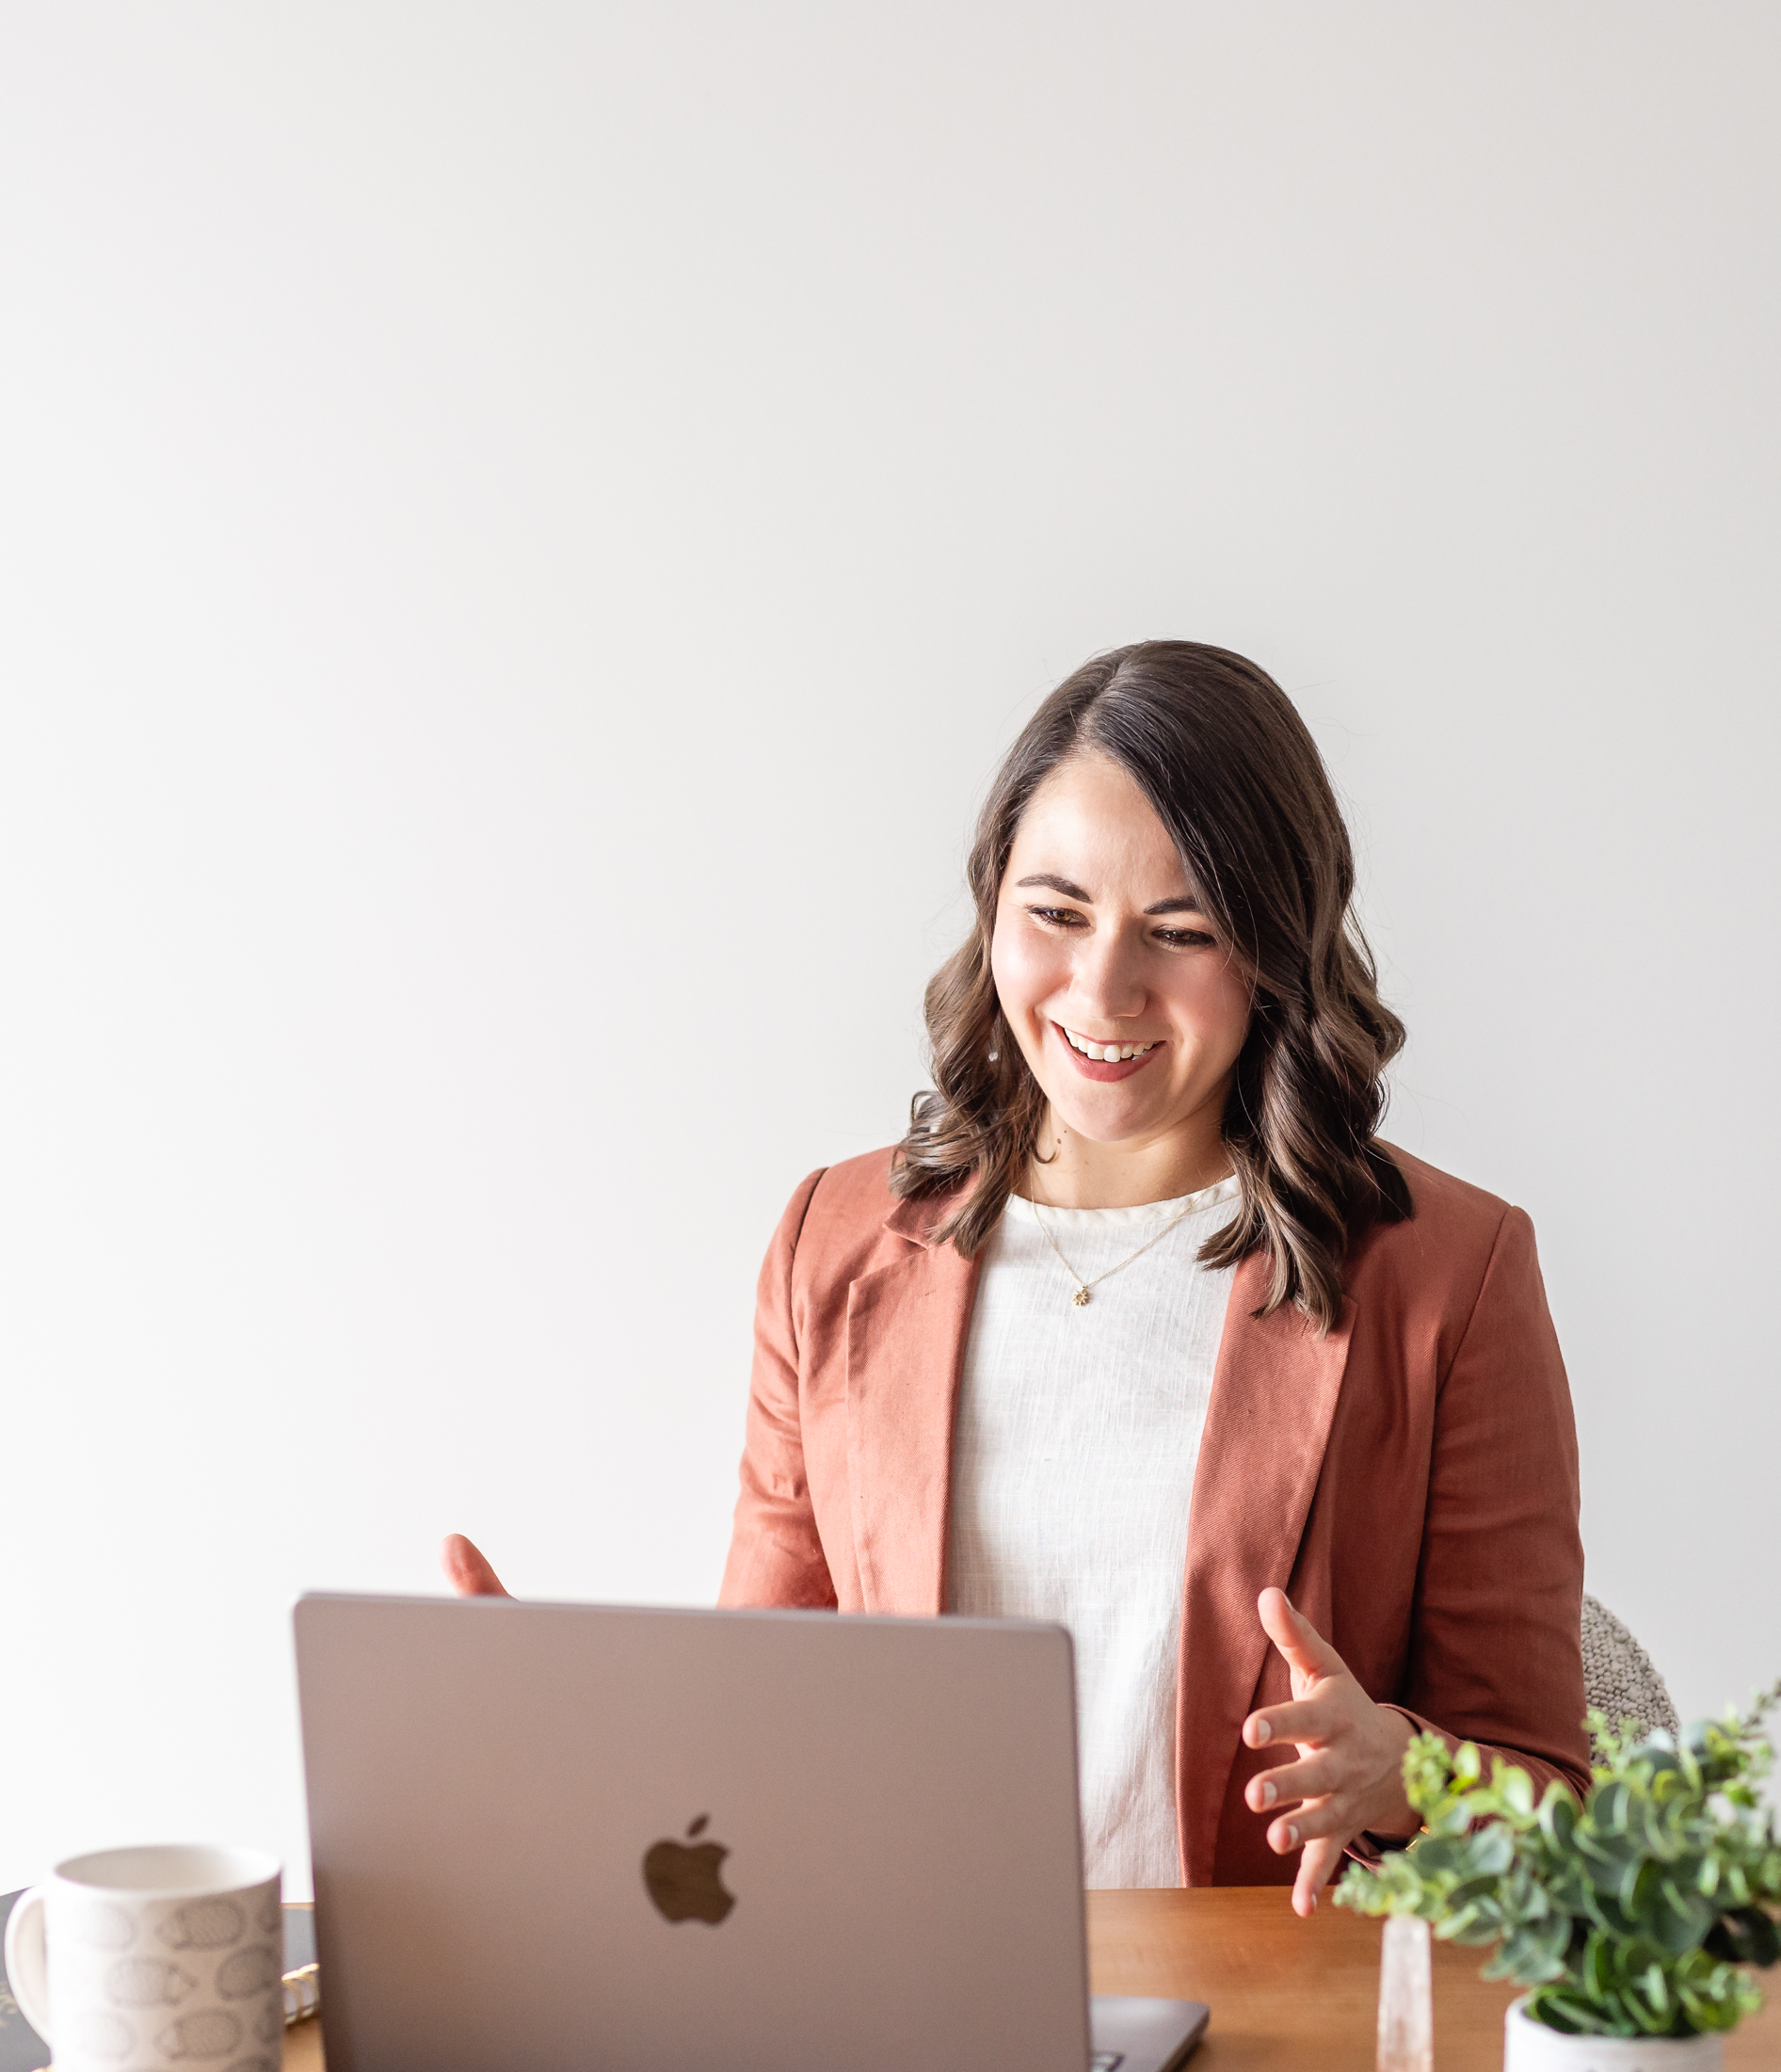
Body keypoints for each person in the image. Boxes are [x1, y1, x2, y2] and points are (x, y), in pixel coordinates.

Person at [447, 641, 1588, 1915]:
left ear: (1275, 950)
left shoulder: (1448, 1273)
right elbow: (759, 1718)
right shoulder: (836, 1242)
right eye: (1056, 914)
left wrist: (1412, 1777)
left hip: (1269, 2043)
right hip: (912, 2013)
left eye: (1183, 930)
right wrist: (564, 1729)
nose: (1104, 989)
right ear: (993, 903)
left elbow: (1553, 1790)